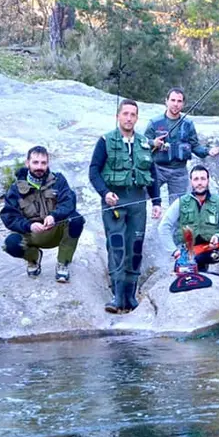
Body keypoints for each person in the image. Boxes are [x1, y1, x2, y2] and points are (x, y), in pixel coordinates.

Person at [89, 99, 162, 314]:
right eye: (125, 114)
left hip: (139, 202)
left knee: (136, 246)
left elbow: (153, 174)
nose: (129, 118)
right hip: (115, 202)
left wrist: (156, 201)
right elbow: (93, 171)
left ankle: (131, 296)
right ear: (118, 116)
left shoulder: (144, 143)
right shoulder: (105, 141)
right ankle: (117, 295)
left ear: (137, 118)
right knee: (117, 246)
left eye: (133, 115)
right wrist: (105, 193)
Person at [0, 146, 85, 282]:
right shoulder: (15, 189)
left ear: (47, 163)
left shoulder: (59, 181)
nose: (39, 167)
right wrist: (29, 226)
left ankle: (63, 262)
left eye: (43, 163)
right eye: (35, 162)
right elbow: (9, 217)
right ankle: (33, 258)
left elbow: (69, 202)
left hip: (55, 230)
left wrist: (54, 216)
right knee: (10, 244)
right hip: (31, 235)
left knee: (76, 219)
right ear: (27, 163)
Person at [158, 165, 219, 282]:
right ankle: (201, 272)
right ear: (191, 182)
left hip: (213, 248)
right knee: (193, 273)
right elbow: (163, 227)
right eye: (196, 179)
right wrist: (174, 251)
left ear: (208, 180)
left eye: (203, 179)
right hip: (191, 253)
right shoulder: (180, 202)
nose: (200, 183)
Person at [144, 87, 219, 205]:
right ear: (166, 101)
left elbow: (195, 146)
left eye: (179, 101)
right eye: (173, 100)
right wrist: (153, 143)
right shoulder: (154, 122)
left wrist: (208, 151)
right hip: (157, 169)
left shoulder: (188, 124)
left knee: (178, 207)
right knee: (140, 197)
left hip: (179, 172)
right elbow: (143, 143)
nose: (176, 104)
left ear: (183, 104)